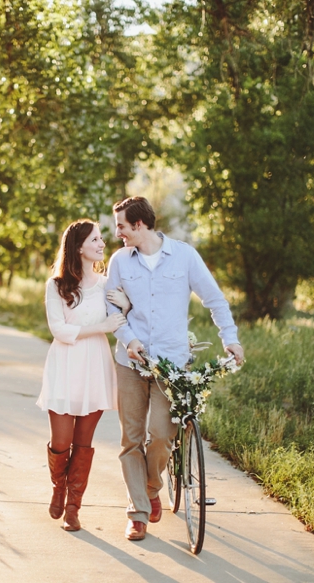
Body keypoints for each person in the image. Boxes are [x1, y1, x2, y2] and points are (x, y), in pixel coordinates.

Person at [105, 196, 244, 541]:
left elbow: (214, 299)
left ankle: (152, 486)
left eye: (121, 225)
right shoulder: (120, 261)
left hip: (172, 364)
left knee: (162, 436)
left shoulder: (184, 256)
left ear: (139, 225)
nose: (117, 232)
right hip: (131, 362)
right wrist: (129, 339)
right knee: (130, 439)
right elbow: (111, 311)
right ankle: (137, 512)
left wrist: (231, 338)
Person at [37, 219, 130, 531]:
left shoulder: (106, 286)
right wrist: (99, 328)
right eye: (95, 239)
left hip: (95, 367)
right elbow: (59, 329)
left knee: (83, 443)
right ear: (78, 247)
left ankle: (73, 509)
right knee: (61, 441)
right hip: (64, 365)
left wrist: (126, 306)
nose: (102, 243)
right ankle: (58, 488)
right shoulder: (57, 285)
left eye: (102, 238)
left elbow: (123, 317)